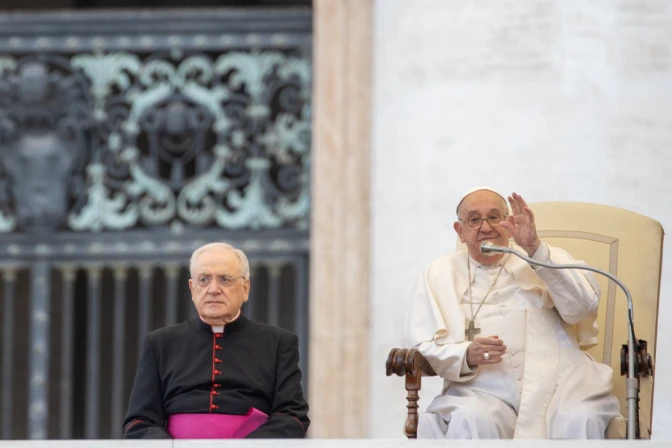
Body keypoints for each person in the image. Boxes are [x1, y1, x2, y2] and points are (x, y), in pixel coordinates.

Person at [403, 187, 621, 439]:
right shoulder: (439, 273)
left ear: (508, 222)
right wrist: (465, 354)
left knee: (581, 417)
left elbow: (581, 308)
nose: (486, 228)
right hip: (481, 390)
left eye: (494, 217)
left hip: (561, 384)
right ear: (460, 231)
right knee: (471, 418)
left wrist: (534, 248)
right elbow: (422, 346)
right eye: (474, 220)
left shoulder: (543, 257)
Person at [122, 242, 309, 439]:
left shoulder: (279, 343)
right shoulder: (160, 343)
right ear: (192, 289)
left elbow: (292, 417)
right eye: (204, 280)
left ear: (245, 288)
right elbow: (139, 421)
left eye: (225, 279)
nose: (213, 289)